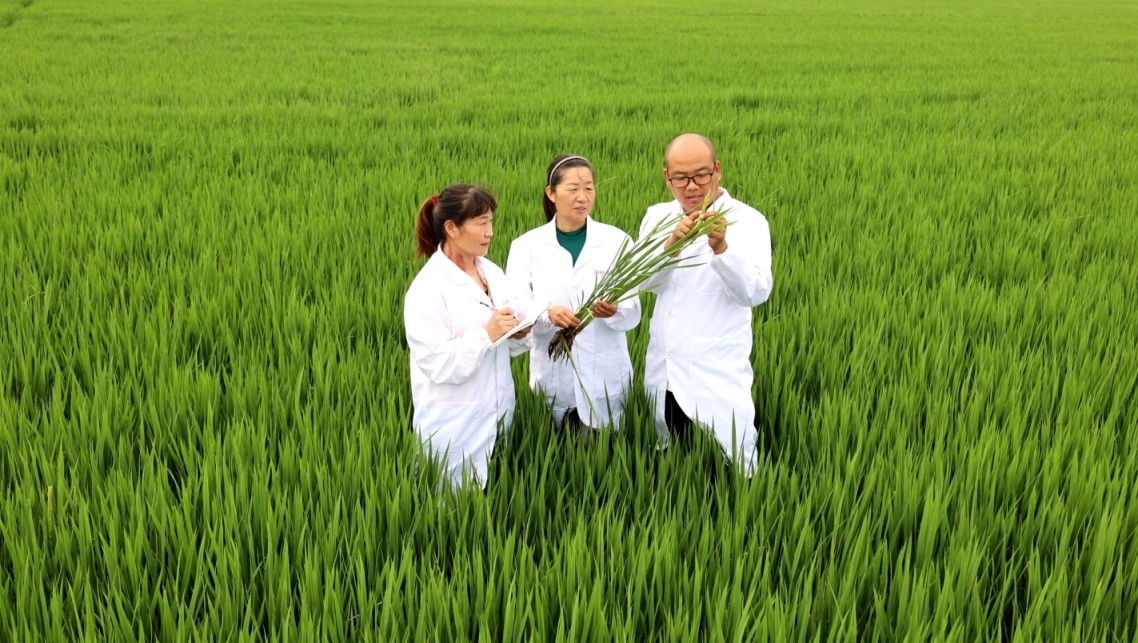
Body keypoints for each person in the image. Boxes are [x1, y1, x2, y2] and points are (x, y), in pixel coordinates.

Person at [637, 134, 774, 476]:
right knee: (669, 462)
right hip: (665, 367)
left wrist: (722, 248)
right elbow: (644, 282)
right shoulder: (657, 217)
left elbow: (755, 292)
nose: (692, 186)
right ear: (667, 177)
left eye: (701, 175)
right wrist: (671, 245)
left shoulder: (748, 221)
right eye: (680, 178)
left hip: (716, 370)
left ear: (717, 170)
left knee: (733, 463)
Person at [404, 184, 533, 488]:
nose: (490, 232)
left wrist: (518, 332)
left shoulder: (491, 273)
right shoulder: (428, 289)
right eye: (481, 222)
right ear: (451, 228)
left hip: (498, 411)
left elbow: (503, 339)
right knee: (452, 505)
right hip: (454, 424)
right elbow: (438, 363)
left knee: (496, 497)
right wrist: (486, 334)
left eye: (491, 221)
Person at [506, 155, 641, 432]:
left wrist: (615, 310)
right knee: (553, 449)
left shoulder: (617, 241)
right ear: (551, 193)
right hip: (554, 374)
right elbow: (515, 305)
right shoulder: (526, 246)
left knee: (607, 449)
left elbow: (633, 309)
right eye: (573, 189)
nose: (583, 197)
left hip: (606, 374)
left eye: (589, 188)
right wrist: (547, 313)